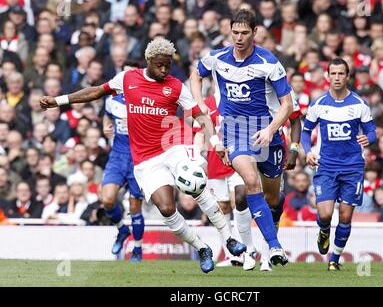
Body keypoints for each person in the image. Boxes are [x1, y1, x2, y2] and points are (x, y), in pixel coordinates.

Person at [40, 38, 246, 274]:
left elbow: (200, 115)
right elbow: (96, 91)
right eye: (160, 65)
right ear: (149, 61)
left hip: (173, 146)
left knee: (195, 184)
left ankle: (228, 238)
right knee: (166, 208)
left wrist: (215, 142)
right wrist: (59, 101)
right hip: (146, 159)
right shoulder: (128, 79)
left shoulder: (176, 86)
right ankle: (202, 248)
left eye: (168, 65)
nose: (164, 70)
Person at [190, 9, 294, 266]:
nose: (239, 37)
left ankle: (273, 220)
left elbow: (287, 105)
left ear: (254, 32)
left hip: (266, 131)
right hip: (235, 129)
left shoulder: (268, 62)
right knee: (250, 182)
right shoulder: (217, 57)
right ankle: (274, 247)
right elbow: (196, 74)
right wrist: (200, 101)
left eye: (244, 32)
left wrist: (271, 130)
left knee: (271, 197)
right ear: (229, 30)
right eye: (235, 32)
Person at [301, 58, 377, 271]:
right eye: (333, 73)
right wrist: (307, 152)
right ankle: (324, 230)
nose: (336, 78)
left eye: (341, 74)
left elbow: (372, 131)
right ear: (327, 76)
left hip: (352, 167)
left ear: (347, 76)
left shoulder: (359, 104)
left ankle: (334, 258)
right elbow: (306, 132)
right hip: (326, 166)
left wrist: (368, 139)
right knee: (325, 214)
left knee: (345, 214)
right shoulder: (318, 104)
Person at [101, 60, 146, 262]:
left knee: (135, 206)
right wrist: (106, 126)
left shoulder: (146, 100)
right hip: (118, 155)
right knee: (107, 199)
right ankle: (121, 230)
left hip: (140, 157)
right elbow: (107, 115)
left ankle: (137, 248)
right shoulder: (112, 100)